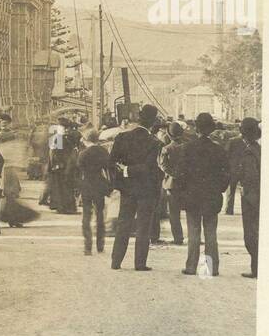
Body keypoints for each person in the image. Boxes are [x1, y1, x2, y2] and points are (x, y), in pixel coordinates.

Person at [109, 103, 162, 271]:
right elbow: (151, 169)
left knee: (123, 223)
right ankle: (140, 263)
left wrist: (122, 174)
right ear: (153, 122)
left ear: (139, 118)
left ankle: (116, 262)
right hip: (147, 190)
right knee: (143, 226)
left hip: (127, 189)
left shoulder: (122, 137)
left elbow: (111, 162)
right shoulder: (155, 143)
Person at [177, 112, 230, 277]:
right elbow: (226, 174)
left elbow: (181, 174)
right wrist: (219, 189)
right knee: (210, 233)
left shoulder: (187, 148)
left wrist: (183, 192)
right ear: (211, 129)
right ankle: (210, 268)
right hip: (211, 196)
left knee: (193, 232)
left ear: (196, 128)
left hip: (192, 196)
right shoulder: (218, 150)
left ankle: (192, 266)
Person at [76, 129, 111, 255]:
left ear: (86, 140)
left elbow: (78, 171)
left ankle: (87, 247)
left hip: (86, 185)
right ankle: (100, 246)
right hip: (99, 185)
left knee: (86, 216)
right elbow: (108, 169)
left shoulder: (83, 154)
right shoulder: (103, 152)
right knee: (100, 215)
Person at [238, 117, 261, 278]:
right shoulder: (259, 149)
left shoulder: (248, 152)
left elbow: (250, 177)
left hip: (251, 197)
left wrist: (244, 190)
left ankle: (256, 268)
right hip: (259, 194)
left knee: (251, 234)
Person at [159, 120, 187, 245]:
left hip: (172, 184)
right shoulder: (188, 147)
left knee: (174, 214)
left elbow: (163, 165)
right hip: (187, 183)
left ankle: (178, 238)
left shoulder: (166, 149)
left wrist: (174, 174)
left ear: (169, 135)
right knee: (192, 212)